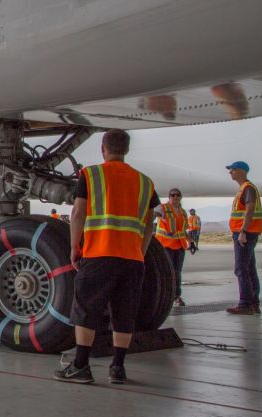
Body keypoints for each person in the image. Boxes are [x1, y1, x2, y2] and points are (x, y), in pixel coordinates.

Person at [55, 129, 159, 385]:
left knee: (86, 310)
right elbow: (149, 223)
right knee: (124, 313)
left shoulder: (91, 175)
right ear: (126, 149)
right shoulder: (145, 182)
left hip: (99, 254)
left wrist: (74, 246)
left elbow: (78, 212)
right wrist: (141, 251)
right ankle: (118, 368)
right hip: (132, 258)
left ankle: (80, 365)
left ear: (103, 148)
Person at [226, 161, 262, 315]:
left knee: (241, 269)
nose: (230, 173)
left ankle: (245, 304)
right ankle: (254, 303)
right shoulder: (245, 188)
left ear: (241, 171)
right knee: (249, 268)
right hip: (249, 232)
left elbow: (249, 210)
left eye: (232, 170)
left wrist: (242, 231)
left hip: (245, 233)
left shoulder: (247, 188)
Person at [155, 188, 189, 306]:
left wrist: (192, 242)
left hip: (180, 246)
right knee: (168, 272)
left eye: (177, 195)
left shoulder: (183, 212)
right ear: (169, 197)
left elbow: (183, 231)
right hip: (166, 246)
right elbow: (154, 214)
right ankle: (166, 296)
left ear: (180, 197)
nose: (175, 197)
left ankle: (176, 296)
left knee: (177, 272)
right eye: (172, 195)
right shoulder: (163, 208)